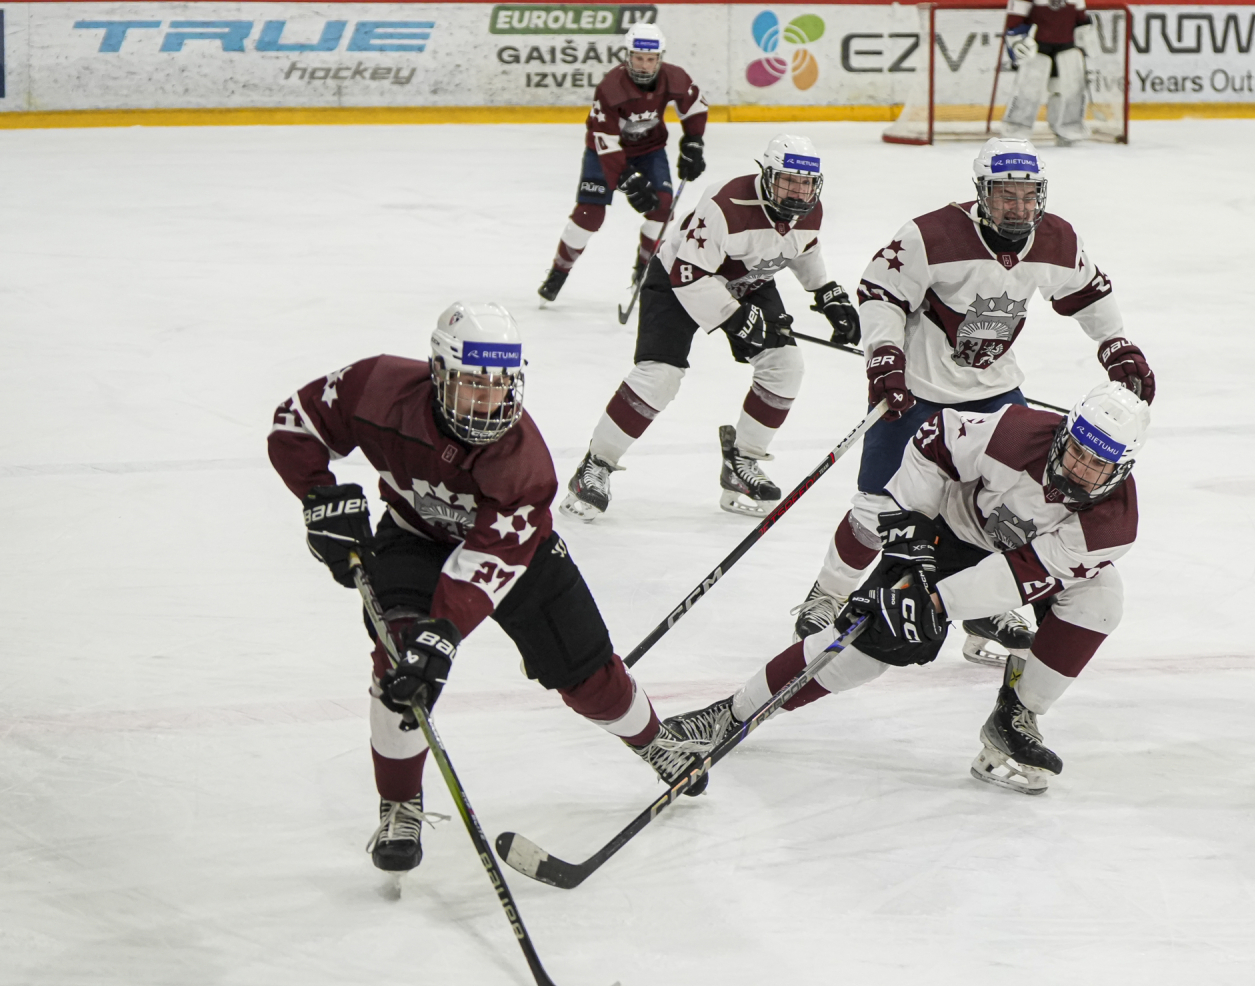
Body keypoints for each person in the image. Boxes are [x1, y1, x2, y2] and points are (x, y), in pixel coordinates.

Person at [267, 303, 712, 875]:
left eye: (500, 386)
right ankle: (400, 803)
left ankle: (654, 741)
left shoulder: (523, 464)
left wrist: (445, 631)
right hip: (413, 536)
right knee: (400, 665)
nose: (488, 401)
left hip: (519, 556)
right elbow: (295, 422)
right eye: (473, 385)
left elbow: (488, 561)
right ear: (438, 373)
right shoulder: (376, 386)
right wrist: (318, 494)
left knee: (588, 675)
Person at [664, 383, 1149, 796]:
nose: (1079, 467)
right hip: (948, 531)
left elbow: (1017, 575)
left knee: (1100, 600)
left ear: (1121, 469)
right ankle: (728, 715)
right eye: (1076, 450)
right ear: (1064, 433)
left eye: (1095, 464)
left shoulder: (1111, 526)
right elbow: (933, 440)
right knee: (866, 647)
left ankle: (1015, 715)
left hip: (1017, 561)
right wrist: (909, 546)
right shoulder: (1015, 432)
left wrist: (934, 602)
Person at [789, 137, 1152, 669]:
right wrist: (885, 353)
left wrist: (1114, 343)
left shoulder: (1057, 239)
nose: (1019, 208)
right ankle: (828, 592)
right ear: (981, 192)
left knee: (1006, 511)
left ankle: (984, 609)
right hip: (916, 391)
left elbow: (1088, 291)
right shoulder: (930, 235)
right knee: (876, 511)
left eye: (1028, 196)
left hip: (994, 394)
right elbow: (880, 292)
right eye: (1006, 195)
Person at [560, 133, 859, 520]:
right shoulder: (726, 204)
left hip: (747, 279)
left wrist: (826, 293)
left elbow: (802, 248)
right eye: (789, 181)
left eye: (805, 183)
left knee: (785, 365)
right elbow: (688, 275)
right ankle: (596, 464)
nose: (798, 192)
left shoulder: (808, 209)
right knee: (660, 375)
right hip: (679, 277)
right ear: (767, 175)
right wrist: (735, 317)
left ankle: (742, 462)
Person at [537, 23, 709, 304]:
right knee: (589, 214)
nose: (644, 65)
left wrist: (694, 142)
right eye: (638, 58)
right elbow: (604, 138)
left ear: (660, 58)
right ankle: (558, 272)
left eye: (650, 59)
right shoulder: (611, 87)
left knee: (662, 207)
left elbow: (695, 106)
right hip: (603, 153)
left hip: (649, 150)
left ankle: (644, 271)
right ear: (628, 56)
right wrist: (626, 178)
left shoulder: (675, 77)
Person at [998, 0, 1094, 145]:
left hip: (1067, 47)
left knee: (1070, 90)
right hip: (1037, 48)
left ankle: (1069, 128)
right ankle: (1016, 129)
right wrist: (1017, 42)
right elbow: (1013, 22)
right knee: (1029, 90)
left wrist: (1085, 41)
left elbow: (1081, 19)